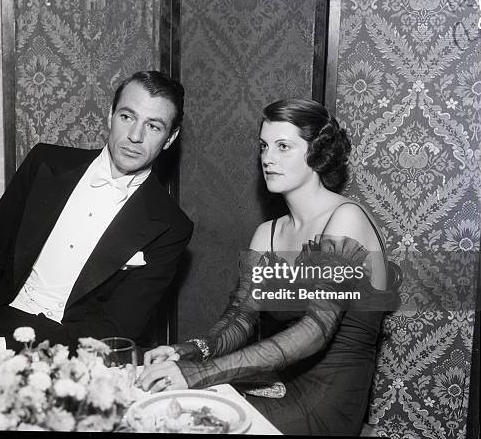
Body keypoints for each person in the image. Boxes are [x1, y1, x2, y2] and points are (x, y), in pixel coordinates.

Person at [137, 98, 401, 436]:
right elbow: (239, 319)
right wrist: (184, 352)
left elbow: (314, 331)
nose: (267, 158)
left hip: (330, 402)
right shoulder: (268, 233)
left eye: (283, 146)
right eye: (263, 146)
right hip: (281, 385)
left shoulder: (346, 220)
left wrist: (198, 374)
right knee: (167, 413)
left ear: (317, 153)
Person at [0, 71, 194, 379]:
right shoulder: (45, 163)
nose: (135, 135)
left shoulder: (171, 225)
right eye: (127, 116)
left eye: (153, 125)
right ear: (110, 116)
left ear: (170, 138)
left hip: (73, 358)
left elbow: (114, 330)